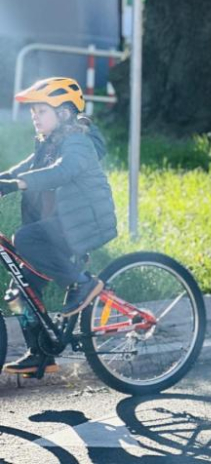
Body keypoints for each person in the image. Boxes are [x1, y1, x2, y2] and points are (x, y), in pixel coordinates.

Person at [0, 78, 117, 376]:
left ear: (64, 113)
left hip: (85, 222)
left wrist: (17, 185)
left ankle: (81, 284)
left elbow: (61, 172)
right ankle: (40, 355)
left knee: (25, 238)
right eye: (33, 112)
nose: (35, 117)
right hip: (61, 224)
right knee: (20, 291)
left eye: (42, 111)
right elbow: (21, 170)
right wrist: (5, 180)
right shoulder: (47, 144)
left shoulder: (79, 142)